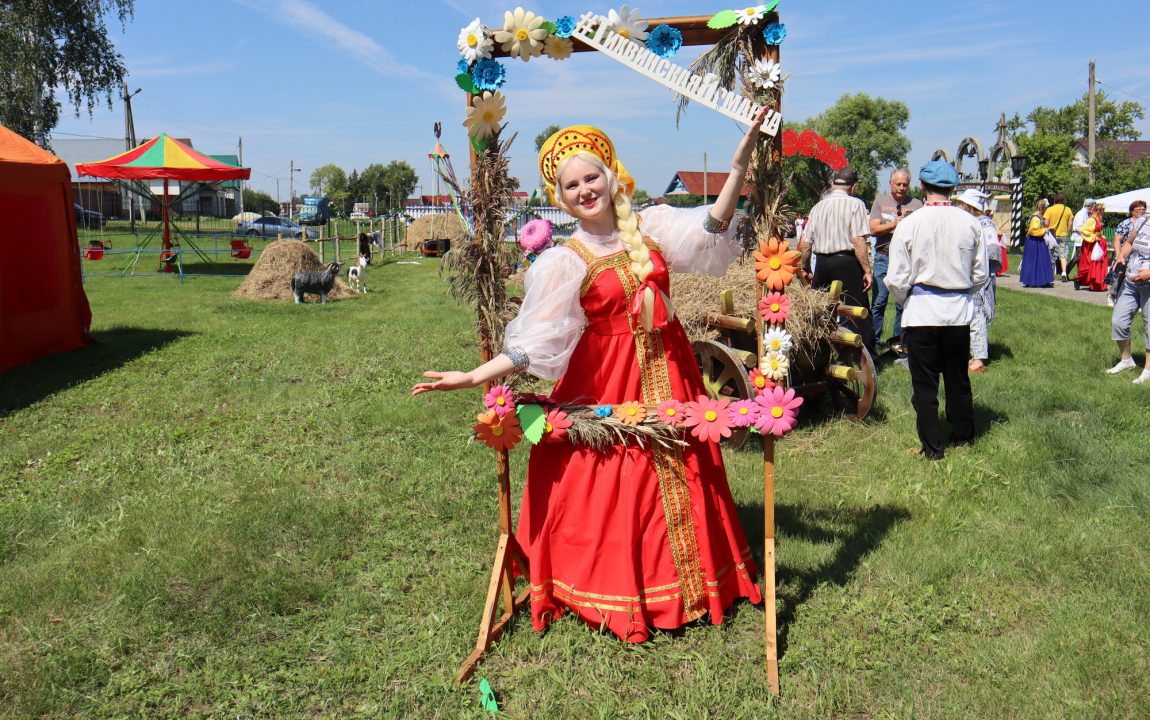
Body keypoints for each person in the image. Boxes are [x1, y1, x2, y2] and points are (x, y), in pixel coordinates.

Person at [413, 111, 772, 641]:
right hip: (607, 380)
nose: (585, 189)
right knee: (616, 477)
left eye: (591, 177)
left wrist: (738, 167)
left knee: (679, 467)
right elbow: (535, 343)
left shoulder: (648, 227)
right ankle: (617, 587)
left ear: (610, 175)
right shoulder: (565, 260)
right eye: (571, 184)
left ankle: (693, 583)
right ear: (560, 196)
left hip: (670, 370)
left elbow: (711, 228)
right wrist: (473, 376)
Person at [885, 160, 988, 460]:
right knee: (958, 378)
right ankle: (963, 437)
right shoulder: (970, 223)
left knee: (925, 384)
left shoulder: (909, 223)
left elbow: (895, 278)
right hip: (957, 313)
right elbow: (980, 274)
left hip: (921, 313)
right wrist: (960, 292)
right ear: (952, 188)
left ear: (921, 187)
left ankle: (932, 448)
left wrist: (908, 300)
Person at [799, 166, 876, 357]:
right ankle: (867, 358)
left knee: (821, 313)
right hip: (847, 263)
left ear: (834, 185)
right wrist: (867, 270)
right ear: (854, 186)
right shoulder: (856, 204)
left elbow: (805, 243)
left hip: (823, 264)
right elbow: (858, 240)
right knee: (858, 311)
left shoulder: (817, 207)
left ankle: (818, 355)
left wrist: (806, 268)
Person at [868, 169, 923, 355]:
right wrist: (894, 224)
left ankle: (899, 343)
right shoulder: (880, 202)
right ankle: (874, 343)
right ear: (890, 183)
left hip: (906, 260)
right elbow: (873, 228)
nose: (901, 187)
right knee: (879, 302)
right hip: (883, 256)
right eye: (898, 184)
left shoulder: (917, 204)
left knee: (903, 303)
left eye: (905, 184)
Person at [953, 188, 999, 372]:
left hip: (980, 277)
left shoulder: (984, 224)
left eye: (962, 205)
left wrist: (975, 265)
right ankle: (971, 354)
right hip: (970, 275)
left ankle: (978, 358)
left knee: (977, 315)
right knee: (970, 316)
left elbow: (993, 253)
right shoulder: (973, 223)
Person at [1106, 198, 1150, 384]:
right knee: (1119, 321)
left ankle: (1147, 370)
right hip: (1131, 281)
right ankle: (1127, 360)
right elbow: (1130, 241)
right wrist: (1121, 256)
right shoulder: (1144, 220)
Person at [1110, 200, 1148, 307]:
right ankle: (1113, 295)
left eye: (1143, 208)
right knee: (1120, 277)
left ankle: (1136, 302)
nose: (1142, 210)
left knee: (1135, 277)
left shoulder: (1145, 223)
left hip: (1136, 258)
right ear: (1132, 210)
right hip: (1124, 255)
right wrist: (1119, 255)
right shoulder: (1126, 223)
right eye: (1139, 208)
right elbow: (1117, 239)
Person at [1020, 198, 1054, 288]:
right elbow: (1033, 230)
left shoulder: (1039, 216)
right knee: (1033, 261)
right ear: (1043, 208)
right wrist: (1045, 230)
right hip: (1034, 241)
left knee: (1040, 260)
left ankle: (1041, 279)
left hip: (1038, 241)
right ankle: (1032, 280)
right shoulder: (1036, 217)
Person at [1074, 202, 1109, 292]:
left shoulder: (1098, 219)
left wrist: (1101, 237)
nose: (1101, 212)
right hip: (1090, 244)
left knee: (1097, 264)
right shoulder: (1092, 219)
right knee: (1088, 264)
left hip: (1098, 243)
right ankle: (1078, 279)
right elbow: (1084, 230)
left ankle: (1095, 284)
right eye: (1100, 210)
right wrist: (1094, 237)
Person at [1044, 193, 1074, 282]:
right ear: (1063, 200)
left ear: (1054, 200)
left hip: (1052, 235)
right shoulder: (1067, 209)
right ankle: (1064, 272)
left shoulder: (1050, 210)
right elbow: (1070, 223)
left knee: (1051, 254)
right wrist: (1067, 232)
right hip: (1063, 235)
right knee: (1063, 254)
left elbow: (1046, 223)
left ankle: (1050, 274)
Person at [1068, 197, 1096, 285]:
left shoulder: (1086, 213)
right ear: (1091, 206)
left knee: (1080, 258)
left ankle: (1078, 276)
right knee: (1078, 257)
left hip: (1084, 238)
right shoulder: (1081, 214)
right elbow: (1079, 227)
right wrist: (1089, 233)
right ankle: (1066, 271)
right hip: (1081, 238)